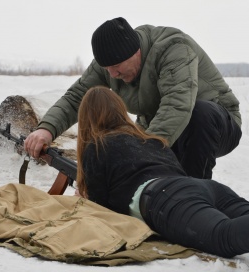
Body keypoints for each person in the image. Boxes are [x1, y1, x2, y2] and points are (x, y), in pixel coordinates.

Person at [24, 17, 242, 179]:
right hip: (160, 130)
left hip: (217, 126)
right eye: (106, 69)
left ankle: (196, 195)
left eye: (117, 67)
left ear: (135, 51)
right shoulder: (110, 62)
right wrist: (47, 128)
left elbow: (177, 106)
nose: (112, 75)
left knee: (199, 114)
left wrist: (140, 156)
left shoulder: (174, 48)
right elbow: (76, 97)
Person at [76, 86, 249, 258]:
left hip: (163, 197)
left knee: (223, 236)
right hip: (204, 187)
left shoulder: (97, 146)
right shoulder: (151, 140)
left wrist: (84, 198)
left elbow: (101, 211)